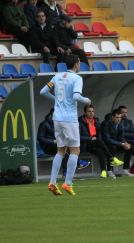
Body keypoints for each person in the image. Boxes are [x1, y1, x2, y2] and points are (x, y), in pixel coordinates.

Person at [40, 54, 91, 196]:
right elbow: (76, 96)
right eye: (79, 63)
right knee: (75, 151)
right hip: (69, 119)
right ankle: (68, 183)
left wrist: (55, 99)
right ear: (76, 64)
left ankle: (52, 182)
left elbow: (43, 91)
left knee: (61, 151)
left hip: (57, 118)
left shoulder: (57, 76)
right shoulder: (77, 78)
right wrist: (86, 100)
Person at [37, 108, 91, 175]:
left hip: (59, 145)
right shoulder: (44, 124)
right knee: (63, 149)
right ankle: (78, 163)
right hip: (47, 147)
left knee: (69, 148)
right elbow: (40, 138)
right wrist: (52, 141)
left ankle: (66, 172)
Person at [79, 104, 123, 179]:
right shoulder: (80, 122)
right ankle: (112, 158)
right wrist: (90, 138)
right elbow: (79, 137)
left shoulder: (96, 120)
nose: (91, 113)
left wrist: (97, 138)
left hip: (97, 143)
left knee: (101, 150)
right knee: (99, 141)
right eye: (89, 111)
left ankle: (103, 172)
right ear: (85, 112)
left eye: (92, 111)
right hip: (86, 144)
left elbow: (99, 133)